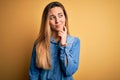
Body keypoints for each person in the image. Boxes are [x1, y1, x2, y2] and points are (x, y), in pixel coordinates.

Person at [29, 1, 80, 80]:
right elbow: (33, 73)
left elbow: (69, 71)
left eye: (60, 16)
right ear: (47, 21)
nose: (57, 21)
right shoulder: (39, 43)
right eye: (52, 17)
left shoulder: (74, 42)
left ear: (65, 17)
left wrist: (63, 45)